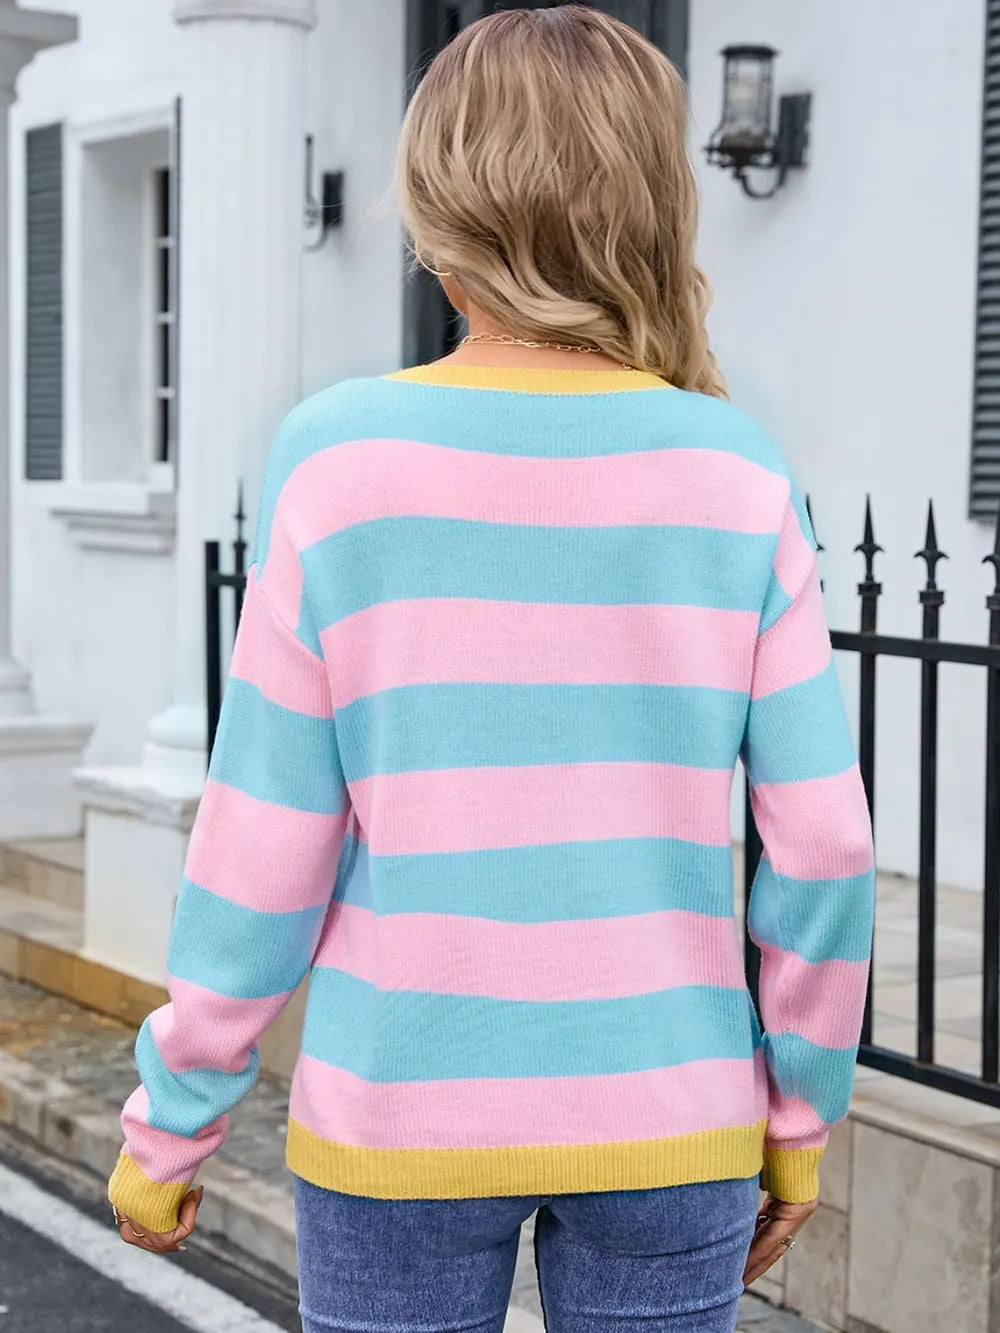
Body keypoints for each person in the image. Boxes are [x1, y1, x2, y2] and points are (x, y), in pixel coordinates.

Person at [108, 8, 875, 1331]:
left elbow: (261, 844)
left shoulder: (337, 463)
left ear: (439, 211)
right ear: (650, 200)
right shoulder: (737, 472)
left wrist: (174, 1116)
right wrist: (800, 1115)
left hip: (398, 1114)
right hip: (671, 1121)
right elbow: (822, 844)